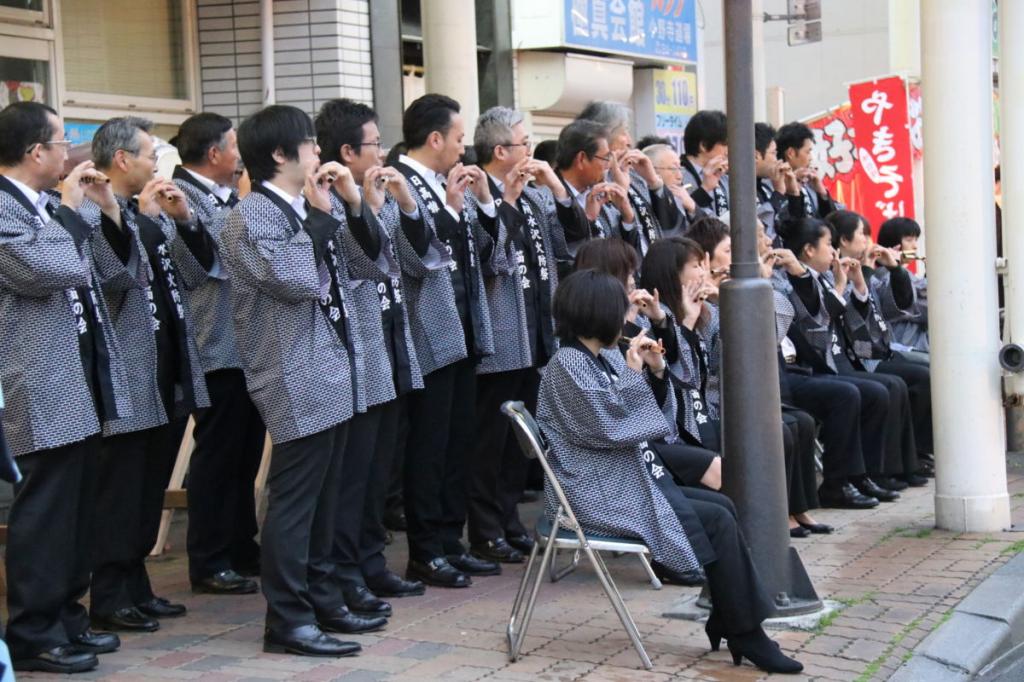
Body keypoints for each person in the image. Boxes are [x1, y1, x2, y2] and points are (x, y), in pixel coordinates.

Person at [537, 269, 803, 674]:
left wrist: (656, 371)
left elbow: (633, 417)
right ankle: (746, 632)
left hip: (614, 477)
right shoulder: (567, 364)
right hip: (594, 491)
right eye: (620, 308)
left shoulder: (591, 357)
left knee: (721, 507)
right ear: (598, 313)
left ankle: (728, 616)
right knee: (715, 518)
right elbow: (610, 428)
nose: (627, 317)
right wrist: (632, 373)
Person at [220, 104, 364, 657]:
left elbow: (370, 267)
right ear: (280, 154)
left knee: (325, 498)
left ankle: (320, 601)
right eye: (309, 144)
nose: (318, 153)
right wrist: (321, 217)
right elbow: (296, 280)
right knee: (295, 502)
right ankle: (288, 621)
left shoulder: (302, 207)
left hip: (328, 365)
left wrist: (344, 208)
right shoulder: (253, 214)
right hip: (289, 369)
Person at [0, 101, 129, 673]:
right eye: (61, 142)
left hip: (81, 371)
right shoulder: (4, 209)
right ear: (36, 152)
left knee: (79, 509)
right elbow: (46, 269)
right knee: (46, 511)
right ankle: (32, 631)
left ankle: (67, 618)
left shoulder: (52, 204)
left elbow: (114, 273)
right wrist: (74, 211)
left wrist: (106, 211)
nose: (70, 154)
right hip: (37, 378)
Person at [85, 117, 209, 634]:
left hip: (167, 369)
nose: (157, 162)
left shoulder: (143, 216)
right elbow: (117, 279)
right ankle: (110, 595)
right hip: (127, 374)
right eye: (148, 153)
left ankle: (137, 585)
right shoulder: (91, 215)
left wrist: (182, 221)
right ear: (120, 161)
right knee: (121, 490)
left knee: (147, 488)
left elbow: (200, 274)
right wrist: (132, 216)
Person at [313, 97, 427, 615]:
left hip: (388, 349)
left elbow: (417, 257)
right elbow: (361, 264)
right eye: (376, 144)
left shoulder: (375, 194)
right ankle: (346, 570)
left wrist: (402, 204)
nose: (383, 152)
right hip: (352, 355)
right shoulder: (328, 203)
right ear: (345, 151)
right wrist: (365, 208)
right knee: (351, 477)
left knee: (379, 470)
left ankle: (370, 561)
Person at [392, 93, 502, 588]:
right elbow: (418, 254)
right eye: (459, 138)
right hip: (426, 335)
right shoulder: (401, 183)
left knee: (457, 443)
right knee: (429, 448)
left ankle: (449, 541)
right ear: (434, 139)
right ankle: (425, 550)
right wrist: (455, 208)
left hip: (461, 330)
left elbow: (482, 246)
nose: (464, 148)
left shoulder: (442, 182)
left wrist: (478, 203)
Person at [169, 113, 263, 596]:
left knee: (244, 454)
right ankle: (208, 558)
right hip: (215, 344)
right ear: (213, 153)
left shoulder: (224, 196)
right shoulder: (180, 199)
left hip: (244, 343)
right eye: (233, 145)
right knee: (218, 456)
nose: (240, 155)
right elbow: (203, 265)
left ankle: (242, 546)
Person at [467, 106, 566, 564]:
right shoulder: (474, 195)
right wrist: (504, 201)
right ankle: (485, 529)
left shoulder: (533, 196)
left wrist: (552, 186)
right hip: (501, 337)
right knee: (489, 440)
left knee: (519, 442)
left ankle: (509, 521)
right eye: (525, 143)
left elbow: (567, 244)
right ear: (501, 150)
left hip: (536, 331)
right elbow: (491, 261)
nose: (531, 150)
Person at [773, 216, 912, 502]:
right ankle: (838, 482)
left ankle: (867, 474)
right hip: (797, 368)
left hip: (825, 362)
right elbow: (814, 328)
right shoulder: (785, 281)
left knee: (882, 388)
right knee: (851, 393)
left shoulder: (819, 277)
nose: (834, 252)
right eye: (828, 245)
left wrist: (856, 284)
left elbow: (852, 321)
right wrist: (838, 284)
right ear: (809, 250)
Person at [829, 210, 930, 485]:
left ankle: (908, 462)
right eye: (862, 234)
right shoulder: (833, 273)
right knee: (899, 382)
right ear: (843, 241)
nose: (866, 240)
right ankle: (885, 468)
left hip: (874, 350)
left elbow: (891, 306)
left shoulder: (866, 268)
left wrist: (895, 269)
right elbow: (848, 314)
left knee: (914, 377)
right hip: (856, 355)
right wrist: (868, 272)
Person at [577, 101, 677, 256]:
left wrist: (654, 182)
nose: (630, 141)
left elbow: (670, 223)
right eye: (624, 132)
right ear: (603, 135)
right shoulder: (591, 182)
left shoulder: (635, 175)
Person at [552, 119, 634, 255]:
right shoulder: (548, 199)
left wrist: (627, 217)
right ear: (582, 159)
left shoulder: (602, 193)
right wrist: (588, 219)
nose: (608, 165)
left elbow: (626, 253)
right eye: (605, 158)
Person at [876, 216, 929, 353]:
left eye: (916, 240)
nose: (915, 246)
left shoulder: (905, 275)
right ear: (895, 244)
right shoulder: (884, 276)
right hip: (903, 345)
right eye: (909, 240)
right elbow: (923, 308)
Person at [775, 122, 836, 219]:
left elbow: (833, 221)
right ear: (790, 153)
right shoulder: (776, 186)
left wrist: (822, 193)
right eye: (808, 152)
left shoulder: (809, 183)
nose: (811, 158)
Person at [754, 122, 802, 241]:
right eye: (773, 153)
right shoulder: (737, 186)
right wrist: (779, 193)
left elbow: (791, 230)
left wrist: (793, 194)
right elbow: (762, 228)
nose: (777, 160)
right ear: (756, 156)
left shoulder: (766, 186)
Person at [643, 142, 699, 238]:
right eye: (673, 169)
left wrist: (692, 208)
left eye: (680, 168)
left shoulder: (682, 195)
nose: (680, 176)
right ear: (652, 170)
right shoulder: (645, 197)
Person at [680, 110, 729, 217]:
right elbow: (682, 217)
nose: (728, 151)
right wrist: (705, 189)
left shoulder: (725, 176)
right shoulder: (678, 176)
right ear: (704, 145)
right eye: (725, 144)